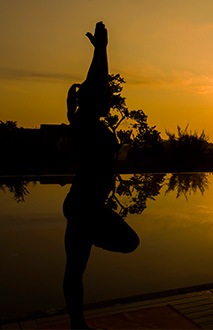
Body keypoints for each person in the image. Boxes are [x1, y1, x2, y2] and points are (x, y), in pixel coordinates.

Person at [62, 22, 139, 329]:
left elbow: (97, 87)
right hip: (83, 206)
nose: (106, 95)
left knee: (76, 267)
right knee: (123, 244)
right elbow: (95, 83)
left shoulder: (86, 123)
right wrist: (101, 51)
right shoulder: (85, 122)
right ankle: (77, 324)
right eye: (102, 94)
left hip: (86, 205)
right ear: (90, 101)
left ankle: (77, 324)